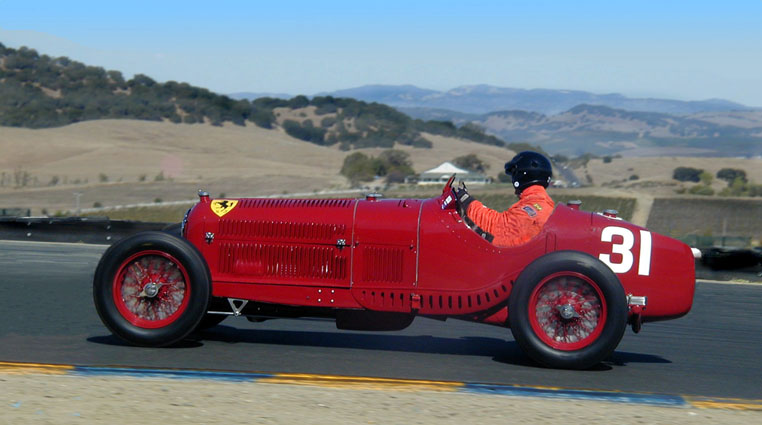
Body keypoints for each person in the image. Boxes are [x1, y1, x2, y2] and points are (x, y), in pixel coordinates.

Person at [455, 151, 554, 247]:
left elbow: (500, 227)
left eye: (514, 174)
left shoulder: (535, 207)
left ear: (521, 175)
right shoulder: (538, 201)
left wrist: (467, 202)